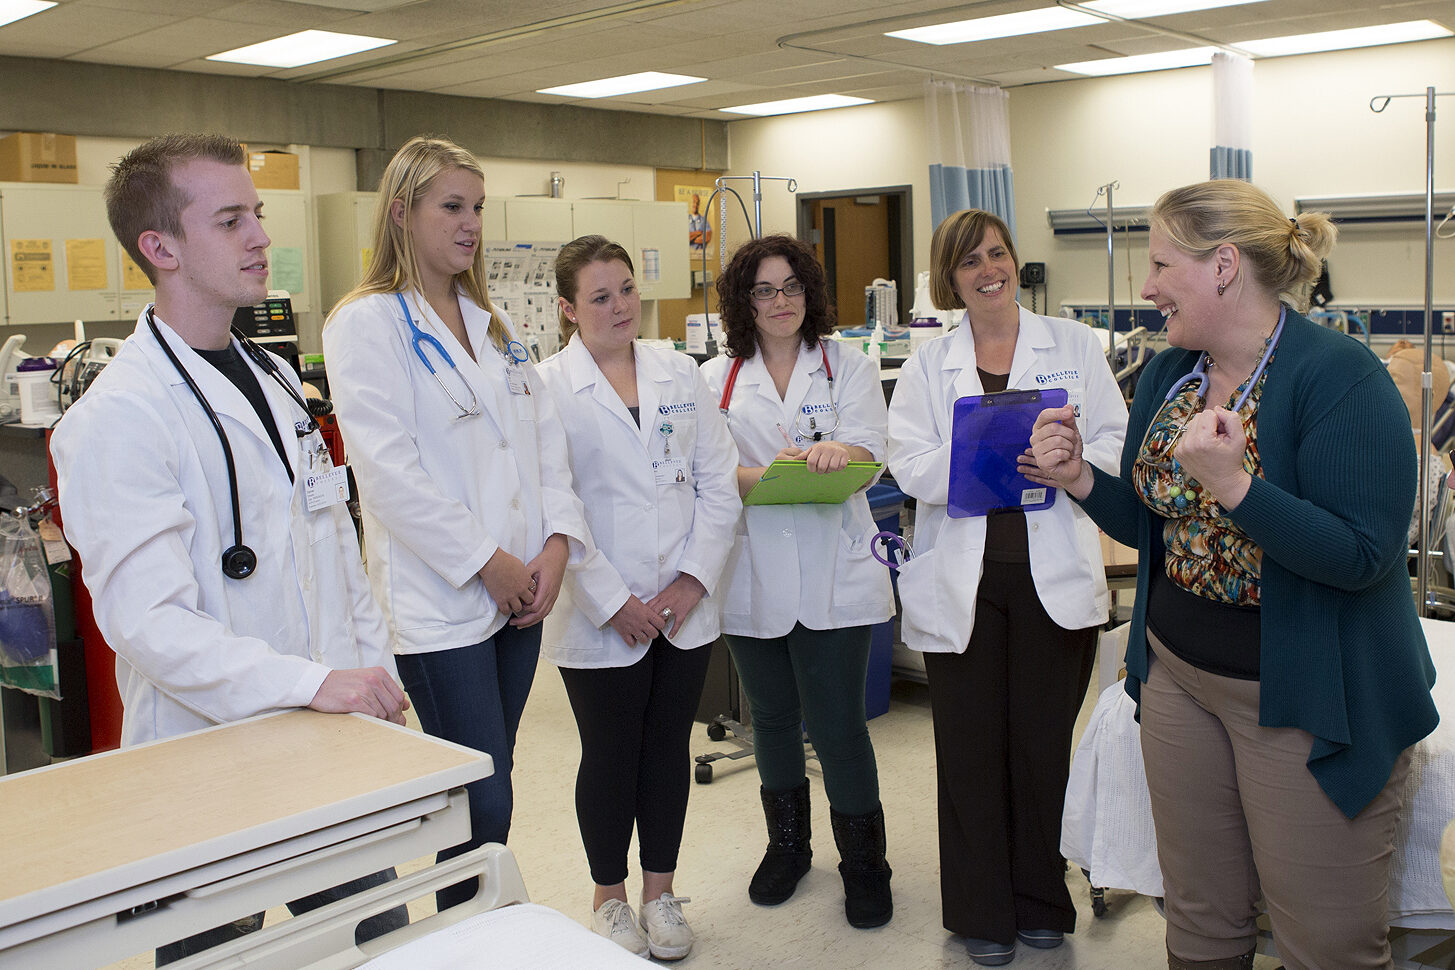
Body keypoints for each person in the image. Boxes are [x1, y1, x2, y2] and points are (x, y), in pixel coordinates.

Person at [1027, 179, 1438, 970]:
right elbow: (1154, 530)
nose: (1144, 289)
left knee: (1324, 942)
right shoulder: (1168, 376)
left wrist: (1236, 487)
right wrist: (1079, 478)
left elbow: (1359, 557)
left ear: (1221, 267)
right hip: (1178, 677)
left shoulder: (1339, 378)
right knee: (1200, 920)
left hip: (1304, 698)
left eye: (1158, 265)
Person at [50, 133, 409, 964]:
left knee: (375, 941)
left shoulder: (281, 381)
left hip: (333, 740)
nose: (259, 237)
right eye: (229, 219)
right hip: (202, 762)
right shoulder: (117, 418)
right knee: (218, 954)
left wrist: (372, 678)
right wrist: (315, 683)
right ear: (160, 247)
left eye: (257, 214)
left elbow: (335, 547)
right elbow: (149, 625)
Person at [323, 135, 588, 911]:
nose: (471, 224)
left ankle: (474, 934)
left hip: (523, 591)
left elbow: (543, 443)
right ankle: (470, 937)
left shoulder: (493, 322)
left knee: (489, 783)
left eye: (476, 207)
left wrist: (556, 545)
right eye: (452, 207)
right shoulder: (365, 323)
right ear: (401, 212)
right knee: (481, 798)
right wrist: (488, 562)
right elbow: (386, 473)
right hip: (444, 601)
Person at [886, 208, 1127, 967]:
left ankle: (1039, 900)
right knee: (967, 750)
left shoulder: (1074, 345)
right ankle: (980, 912)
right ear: (948, 277)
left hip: (1050, 578)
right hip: (963, 579)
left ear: (1013, 260)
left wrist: (1073, 453)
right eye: (968, 262)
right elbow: (906, 461)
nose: (987, 269)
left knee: (1039, 747)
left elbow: (1117, 443)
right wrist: (977, 455)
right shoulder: (930, 363)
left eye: (996, 253)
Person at [534, 235, 741, 959]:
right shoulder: (545, 387)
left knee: (665, 749)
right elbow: (553, 504)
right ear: (567, 308)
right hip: (600, 610)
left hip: (683, 604)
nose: (619, 305)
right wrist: (611, 601)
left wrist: (689, 581)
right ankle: (609, 898)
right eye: (599, 295)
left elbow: (717, 482)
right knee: (610, 753)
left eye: (626, 288)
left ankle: (660, 894)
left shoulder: (678, 372)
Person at [700, 234, 895, 929]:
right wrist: (764, 478)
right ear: (742, 301)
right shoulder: (714, 380)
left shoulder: (847, 366)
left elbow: (874, 455)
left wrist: (845, 452)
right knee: (772, 720)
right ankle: (788, 847)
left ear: (807, 293)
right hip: (751, 572)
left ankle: (864, 864)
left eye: (790, 287)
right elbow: (705, 476)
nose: (778, 301)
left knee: (838, 724)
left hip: (834, 568)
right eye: (762, 289)